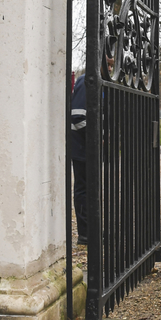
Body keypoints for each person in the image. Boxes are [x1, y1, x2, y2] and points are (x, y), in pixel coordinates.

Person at [70, 73, 89, 245]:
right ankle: (85, 232)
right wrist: (97, 135)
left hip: (86, 145)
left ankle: (90, 228)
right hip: (82, 145)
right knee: (83, 189)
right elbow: (77, 115)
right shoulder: (86, 80)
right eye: (110, 63)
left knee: (89, 189)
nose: (111, 67)